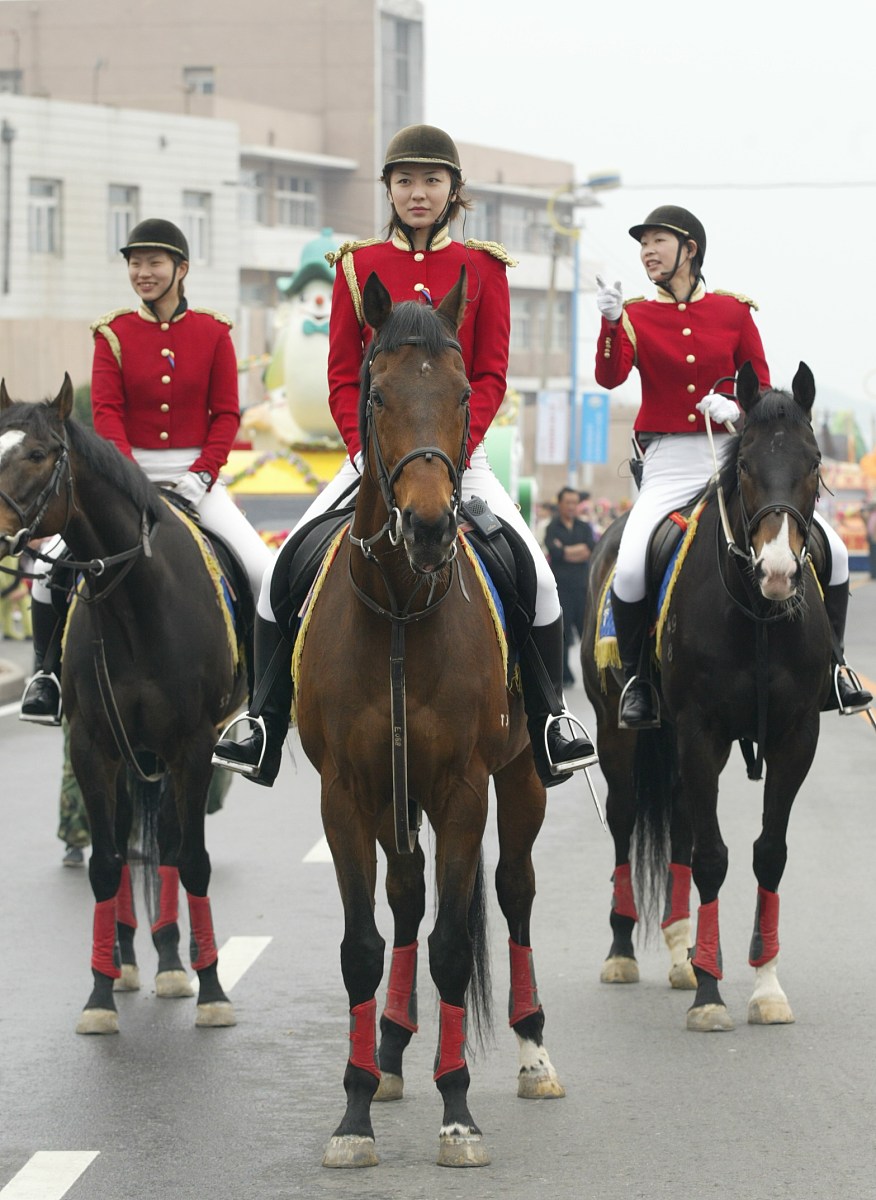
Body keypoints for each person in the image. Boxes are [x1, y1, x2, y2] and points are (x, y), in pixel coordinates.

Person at [214, 123, 595, 788]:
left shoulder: (484, 269)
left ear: (453, 191)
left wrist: (452, 457)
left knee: (534, 577)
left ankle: (550, 721)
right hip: (373, 461)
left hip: (458, 460)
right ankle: (265, 723)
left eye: (432, 181)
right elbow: (340, 374)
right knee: (280, 578)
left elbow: (491, 376)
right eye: (405, 181)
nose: (418, 193)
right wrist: (366, 453)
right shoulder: (356, 267)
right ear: (388, 189)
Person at [595, 204, 871, 727]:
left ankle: (835, 666)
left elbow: (762, 390)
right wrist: (611, 326)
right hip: (669, 462)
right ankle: (638, 682)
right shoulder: (635, 314)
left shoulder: (734, 312)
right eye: (642, 244)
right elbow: (610, 378)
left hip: (735, 456)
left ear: (689, 249)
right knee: (630, 564)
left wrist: (739, 412)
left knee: (831, 548)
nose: (647, 252)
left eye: (658, 241)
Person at [20, 218, 273, 722]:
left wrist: (203, 473)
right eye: (135, 263)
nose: (143, 273)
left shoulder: (214, 332)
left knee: (262, 572)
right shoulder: (112, 334)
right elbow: (108, 415)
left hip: (196, 478)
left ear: (181, 268)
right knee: (49, 573)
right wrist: (125, 477)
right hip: (123, 477)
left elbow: (226, 414)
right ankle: (45, 676)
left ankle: (259, 701)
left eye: (154, 263)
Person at [544, 487, 594, 684]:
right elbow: (554, 553)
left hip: (582, 588)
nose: (572, 506)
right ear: (560, 504)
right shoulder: (552, 527)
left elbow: (590, 549)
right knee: (562, 635)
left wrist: (565, 550)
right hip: (561, 588)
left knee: (588, 632)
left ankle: (594, 673)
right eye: (568, 502)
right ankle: (565, 675)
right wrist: (573, 551)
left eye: (575, 502)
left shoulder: (584, 527)